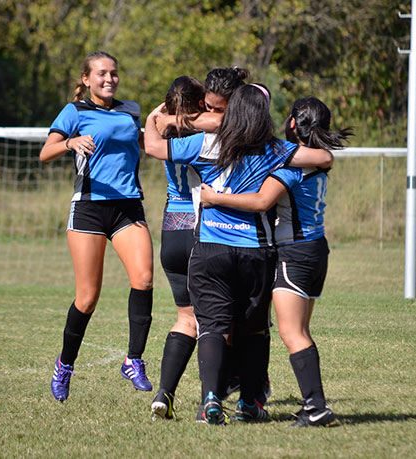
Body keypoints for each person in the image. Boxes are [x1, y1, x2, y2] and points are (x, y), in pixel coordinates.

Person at [144, 84, 334, 425]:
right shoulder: (273, 149)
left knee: (212, 326)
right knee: (255, 329)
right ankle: (250, 402)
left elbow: (154, 146)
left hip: (211, 249)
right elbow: (321, 158)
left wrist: (155, 117)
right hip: (256, 252)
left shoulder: (206, 143)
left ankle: (211, 401)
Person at [200, 96, 352, 426]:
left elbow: (260, 201)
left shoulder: (290, 167)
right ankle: (313, 403)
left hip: (294, 254)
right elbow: (326, 156)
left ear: (294, 124)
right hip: (316, 251)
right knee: (301, 331)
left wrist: (214, 198)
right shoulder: (318, 162)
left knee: (291, 333)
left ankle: (316, 407)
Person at [40, 51, 154, 402]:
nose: (109, 79)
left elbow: (150, 139)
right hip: (89, 209)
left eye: (114, 73)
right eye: (102, 74)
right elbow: (46, 152)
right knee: (87, 298)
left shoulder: (131, 109)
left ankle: (133, 360)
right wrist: (70, 142)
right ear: (86, 79)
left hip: (127, 207)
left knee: (144, 279)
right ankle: (65, 365)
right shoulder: (75, 111)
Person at [150, 76, 206, 420]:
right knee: (215, 320)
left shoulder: (161, 130)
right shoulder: (208, 136)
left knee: (186, 318)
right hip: (204, 224)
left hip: (173, 224)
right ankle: (211, 397)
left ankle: (164, 392)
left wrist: (157, 117)